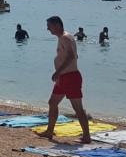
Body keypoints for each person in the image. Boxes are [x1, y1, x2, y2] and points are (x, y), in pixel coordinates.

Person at [37, 15, 90, 143]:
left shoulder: (66, 37)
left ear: (57, 25)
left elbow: (71, 56)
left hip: (70, 77)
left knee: (78, 108)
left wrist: (58, 71)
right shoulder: (63, 38)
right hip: (63, 78)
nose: (48, 29)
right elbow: (74, 55)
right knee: (52, 102)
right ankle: (49, 131)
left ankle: (87, 136)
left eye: (49, 26)